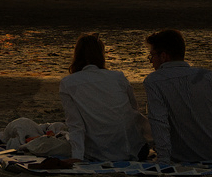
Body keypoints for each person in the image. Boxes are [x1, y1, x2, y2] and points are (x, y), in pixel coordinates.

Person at [143, 29, 212, 164]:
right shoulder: (209, 76)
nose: (151, 62)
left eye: (152, 56)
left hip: (183, 156)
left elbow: (159, 123)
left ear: (163, 56)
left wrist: (163, 159)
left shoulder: (154, 81)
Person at [57, 33, 152, 162]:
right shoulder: (118, 77)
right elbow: (133, 109)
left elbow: (76, 125)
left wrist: (77, 157)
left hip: (99, 154)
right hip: (136, 150)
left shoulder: (68, 83)